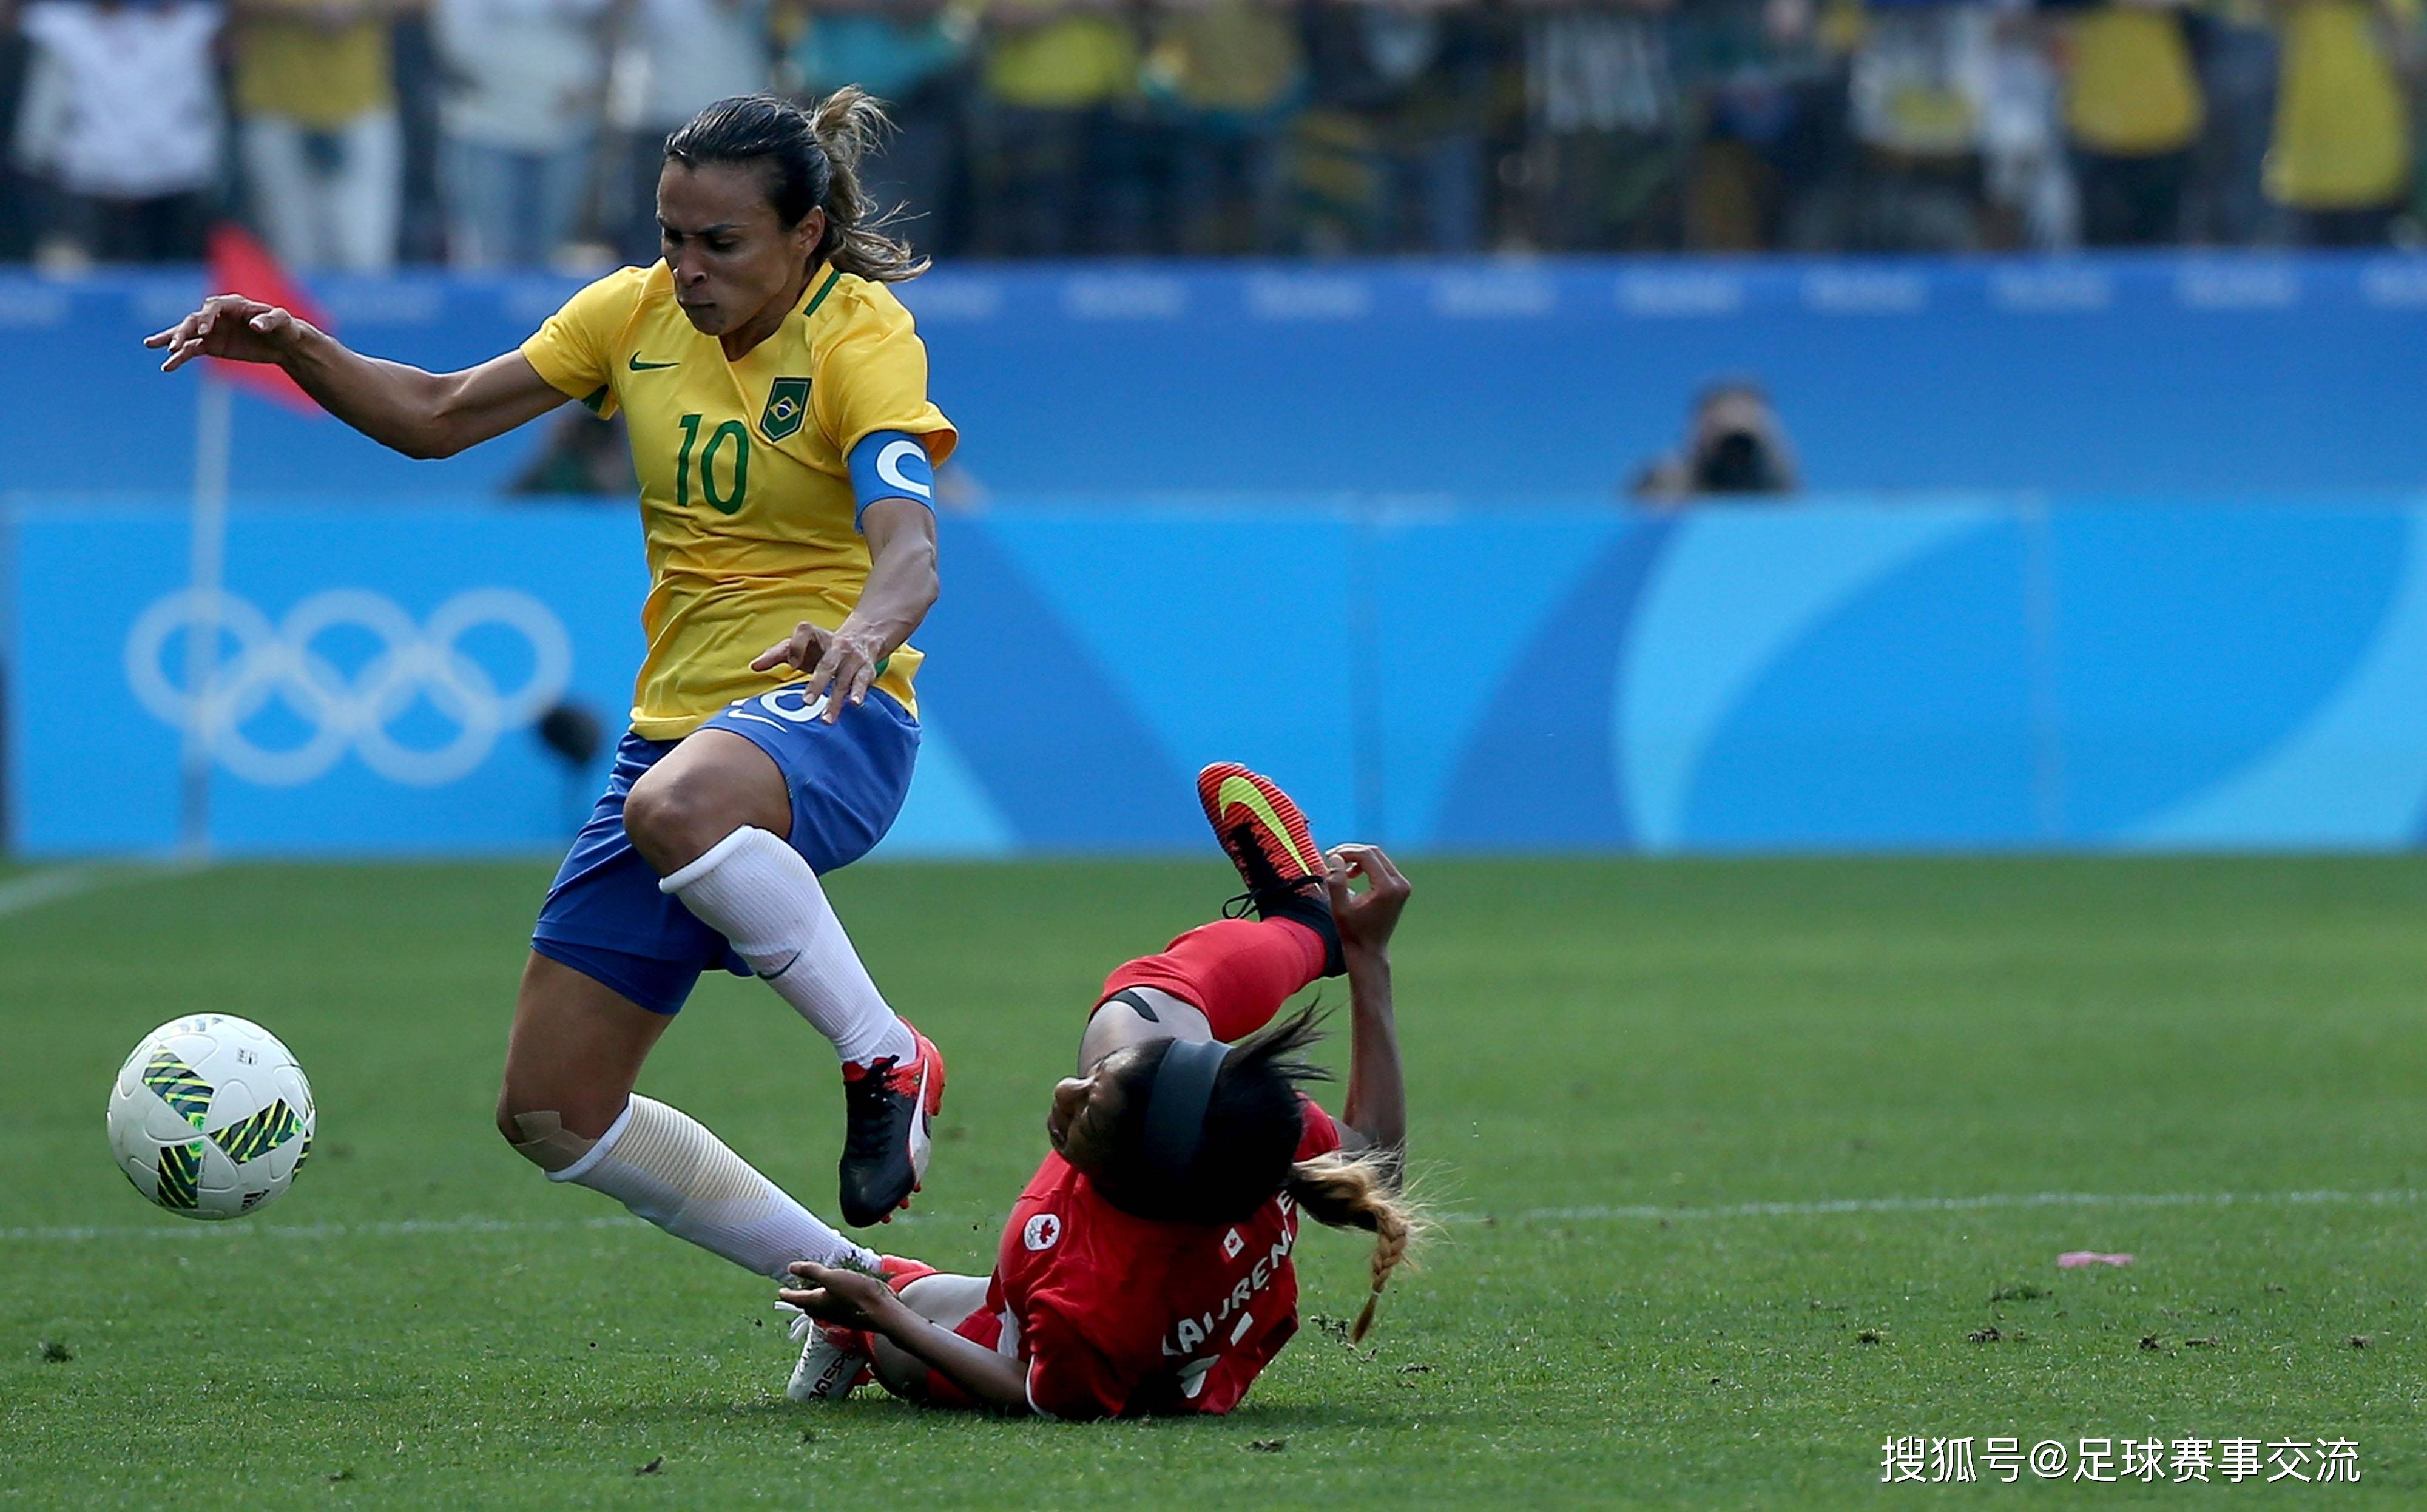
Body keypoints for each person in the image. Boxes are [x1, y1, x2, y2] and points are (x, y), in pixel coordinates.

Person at [147, 93, 959, 1304]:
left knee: (679, 809)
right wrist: (300, 347)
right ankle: (855, 1292)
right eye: (670, 234)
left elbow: (910, 552)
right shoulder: (626, 314)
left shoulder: (862, 337)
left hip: (834, 713)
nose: (684, 269)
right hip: (673, 745)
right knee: (550, 1109)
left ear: (804, 238)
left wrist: (862, 635)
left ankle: (885, 1053)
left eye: (718, 244)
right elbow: (436, 417)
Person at [777, 763, 1422, 1417]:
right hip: (1158, 1261)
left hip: (1045, 1331)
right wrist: (1370, 959)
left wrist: (883, 1314)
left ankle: (847, 1330)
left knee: (912, 1312)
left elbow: (1036, 1391)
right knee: (1142, 1003)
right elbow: (1378, 1161)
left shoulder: (1087, 1290)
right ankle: (1310, 925)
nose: (1065, 1088)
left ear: (1121, 1177)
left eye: (1087, 1112)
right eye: (1092, 1082)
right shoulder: (1249, 1138)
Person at [15, 0, 223, 264]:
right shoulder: (59, 30)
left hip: (176, 182)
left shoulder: (195, 25)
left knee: (178, 282)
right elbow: (38, 130)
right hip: (87, 180)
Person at [1630, 379, 1800, 503]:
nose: (1735, 454)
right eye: (1728, 445)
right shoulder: (1668, 476)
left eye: (1742, 444)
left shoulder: (1772, 479)